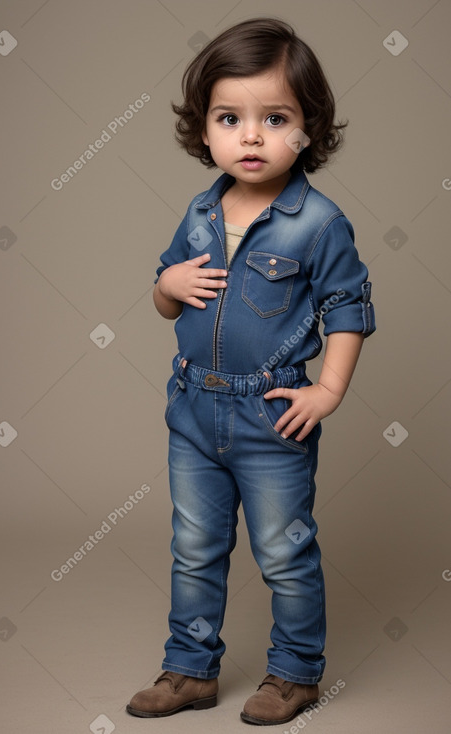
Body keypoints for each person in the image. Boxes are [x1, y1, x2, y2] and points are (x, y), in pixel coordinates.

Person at [126, 16, 375, 726]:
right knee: (194, 546)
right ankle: (188, 670)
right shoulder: (201, 211)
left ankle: (294, 674)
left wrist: (326, 389)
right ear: (204, 130)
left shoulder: (317, 222)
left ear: (309, 130)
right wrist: (165, 284)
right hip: (192, 412)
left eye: (276, 118)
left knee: (282, 549)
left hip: (269, 414)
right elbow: (165, 305)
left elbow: (348, 309)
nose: (252, 136)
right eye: (230, 117)